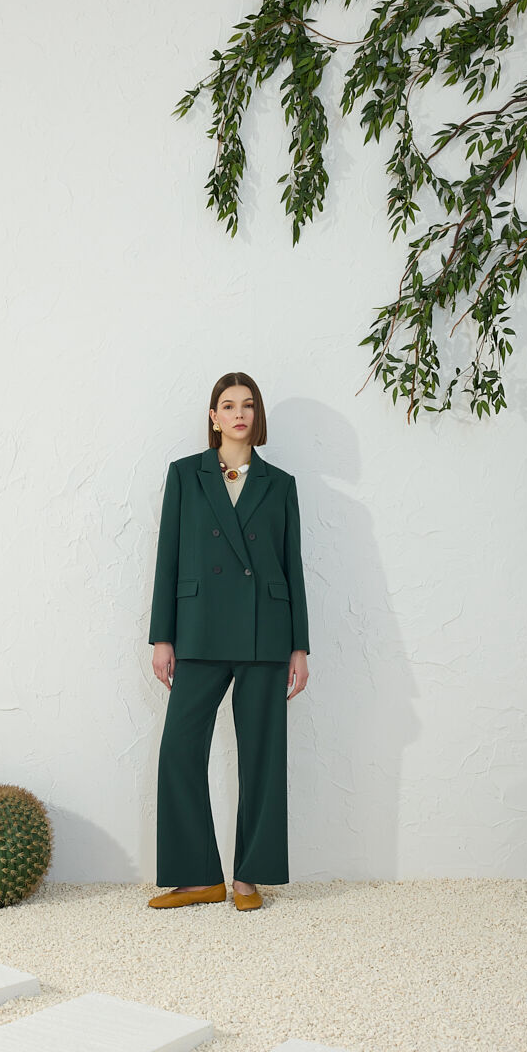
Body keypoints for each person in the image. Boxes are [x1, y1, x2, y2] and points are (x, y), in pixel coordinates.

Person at [147, 373, 310, 911]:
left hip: (267, 630)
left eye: (248, 405)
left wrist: (299, 646)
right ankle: (199, 878)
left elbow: (292, 566)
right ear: (213, 417)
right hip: (199, 628)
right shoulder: (184, 475)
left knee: (262, 755)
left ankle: (248, 877)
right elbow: (168, 557)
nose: (239, 413)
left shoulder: (280, 483)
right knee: (179, 750)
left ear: (257, 416)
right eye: (228, 405)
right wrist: (162, 637)